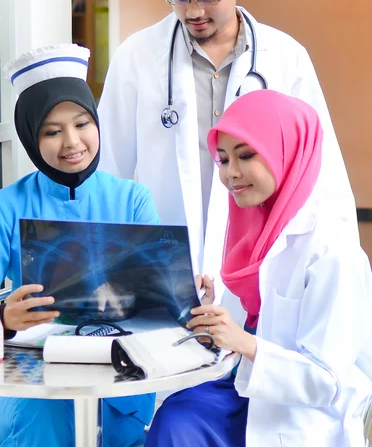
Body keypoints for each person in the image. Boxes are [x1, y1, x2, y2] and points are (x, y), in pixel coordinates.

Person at [97, 0, 357, 312]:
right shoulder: (137, 57)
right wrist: (104, 268)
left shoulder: (285, 58)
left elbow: (323, 173)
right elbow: (108, 173)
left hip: (266, 265)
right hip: (162, 268)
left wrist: (343, 275)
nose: (193, 11)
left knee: (259, 363)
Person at [0, 44, 159, 447]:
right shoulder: (5, 207)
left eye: (82, 123)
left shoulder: (133, 200)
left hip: (113, 385)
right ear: (30, 136)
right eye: (51, 131)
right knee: (49, 413)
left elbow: (159, 304)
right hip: (27, 387)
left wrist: (180, 288)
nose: (72, 142)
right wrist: (4, 316)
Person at [145, 90, 372, 447]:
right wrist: (206, 309)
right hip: (246, 391)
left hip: (299, 416)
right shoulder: (257, 231)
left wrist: (244, 342)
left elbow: (328, 381)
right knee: (177, 416)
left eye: (247, 155)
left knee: (181, 422)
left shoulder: (333, 252)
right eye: (222, 159)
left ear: (287, 152)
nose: (231, 174)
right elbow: (249, 326)